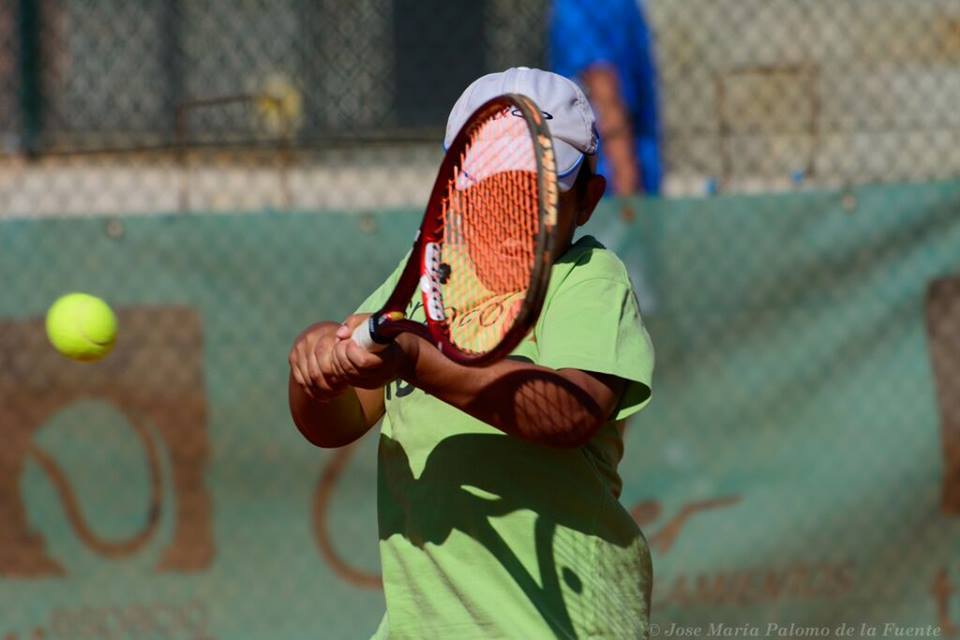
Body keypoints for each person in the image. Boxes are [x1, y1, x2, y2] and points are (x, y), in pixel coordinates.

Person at [289, 67, 655, 639]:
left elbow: (570, 413)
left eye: (539, 193)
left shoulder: (587, 278)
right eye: (492, 188)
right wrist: (315, 371)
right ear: (451, 190)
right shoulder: (420, 282)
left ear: (587, 200)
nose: (514, 210)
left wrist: (420, 359)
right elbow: (334, 423)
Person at [550, 0, 663, 200]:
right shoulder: (580, 8)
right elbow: (602, 87)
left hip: (627, 172)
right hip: (609, 179)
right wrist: (625, 175)